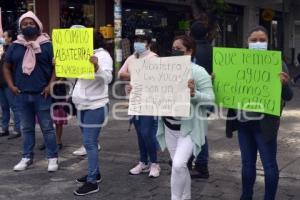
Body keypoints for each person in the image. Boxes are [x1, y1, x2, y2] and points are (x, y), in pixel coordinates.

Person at [225, 26, 293, 200]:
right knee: (247, 163)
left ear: (268, 42)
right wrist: (217, 80)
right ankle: (245, 196)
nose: (258, 43)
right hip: (243, 122)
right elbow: (226, 89)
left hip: (265, 125)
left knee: (269, 164)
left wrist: (284, 84)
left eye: (262, 40)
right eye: (254, 40)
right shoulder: (237, 61)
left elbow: (288, 96)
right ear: (247, 42)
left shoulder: (277, 62)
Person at [156, 35, 215, 200]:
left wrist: (194, 94)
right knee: (179, 168)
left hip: (189, 128)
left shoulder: (198, 72)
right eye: (173, 49)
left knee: (178, 164)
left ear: (190, 51)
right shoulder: (164, 69)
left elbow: (210, 98)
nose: (175, 52)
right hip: (169, 126)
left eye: (179, 50)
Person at [3, 11, 58, 172]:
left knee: (47, 128)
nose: (28, 26)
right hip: (21, 94)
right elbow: (6, 66)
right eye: (24, 24)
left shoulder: (48, 44)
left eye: (31, 23)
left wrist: (50, 85)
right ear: (20, 27)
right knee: (26, 128)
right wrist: (11, 85)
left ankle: (52, 158)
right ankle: (26, 157)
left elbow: (57, 68)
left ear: (38, 25)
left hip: (42, 94)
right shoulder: (15, 46)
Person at [73, 31, 112, 196]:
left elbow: (108, 79)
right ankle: (94, 173)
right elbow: (76, 76)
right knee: (90, 143)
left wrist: (96, 67)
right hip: (82, 105)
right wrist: (60, 64)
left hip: (96, 105)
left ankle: (92, 182)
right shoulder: (80, 54)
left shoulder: (103, 56)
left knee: (89, 143)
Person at [118, 29, 161, 178]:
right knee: (139, 134)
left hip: (150, 101)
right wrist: (134, 78)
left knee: (147, 133)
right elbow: (121, 74)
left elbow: (157, 78)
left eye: (142, 40)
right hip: (134, 100)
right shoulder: (131, 58)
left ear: (149, 43)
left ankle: (154, 163)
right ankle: (143, 162)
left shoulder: (153, 58)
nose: (139, 43)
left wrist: (136, 76)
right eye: (137, 40)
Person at [189, 19, 213, 179]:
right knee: (199, 128)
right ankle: (193, 160)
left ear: (190, 34)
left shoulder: (191, 51)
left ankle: (201, 164)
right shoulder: (212, 51)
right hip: (207, 96)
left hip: (192, 96)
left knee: (196, 130)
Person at [0, 30, 22, 139]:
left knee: (14, 107)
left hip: (9, 83)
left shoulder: (13, 49)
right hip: (1, 83)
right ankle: (4, 128)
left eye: (4, 36)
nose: (2, 38)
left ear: (10, 38)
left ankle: (17, 129)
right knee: (4, 107)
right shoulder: (2, 49)